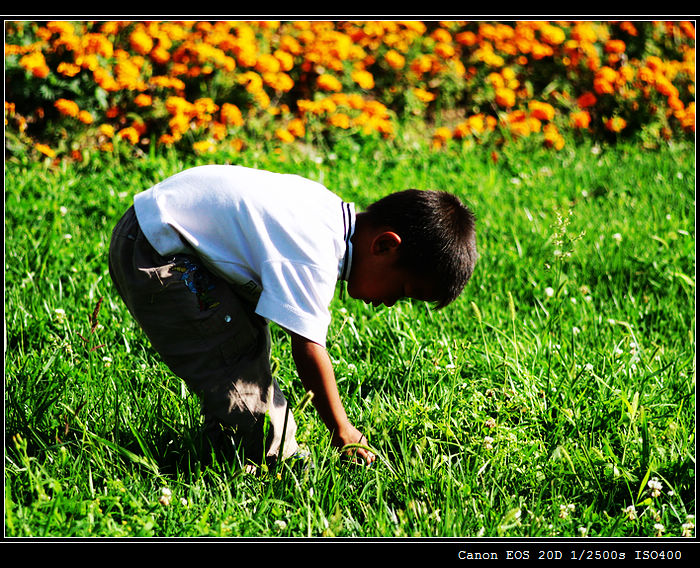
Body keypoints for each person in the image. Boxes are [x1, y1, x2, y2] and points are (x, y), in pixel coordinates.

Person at [108, 164, 477, 470]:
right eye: (403, 290)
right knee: (232, 355)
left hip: (155, 231)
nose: (393, 302)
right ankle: (274, 461)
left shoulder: (327, 214)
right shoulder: (315, 249)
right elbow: (308, 348)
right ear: (384, 245)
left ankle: (231, 440)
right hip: (157, 251)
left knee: (246, 336)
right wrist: (342, 428)